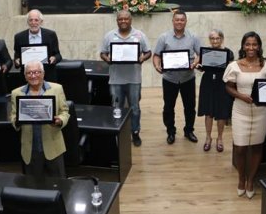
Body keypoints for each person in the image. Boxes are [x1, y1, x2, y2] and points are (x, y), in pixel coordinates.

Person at [223, 32, 266, 199]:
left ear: (259, 46)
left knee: (256, 147)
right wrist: (241, 96)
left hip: (262, 112)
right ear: (243, 46)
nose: (251, 48)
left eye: (254, 44)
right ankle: (241, 178)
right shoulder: (234, 66)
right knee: (239, 148)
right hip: (241, 110)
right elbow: (229, 87)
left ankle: (250, 180)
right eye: (248, 44)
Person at [9, 61, 70, 179]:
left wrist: (59, 120)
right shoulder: (16, 93)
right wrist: (17, 120)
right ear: (25, 76)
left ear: (43, 74)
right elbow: (13, 115)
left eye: (36, 72)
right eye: (29, 73)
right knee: (33, 188)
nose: (33, 76)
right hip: (30, 149)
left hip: (53, 147)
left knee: (59, 186)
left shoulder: (57, 89)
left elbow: (65, 112)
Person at [99, 10, 152, 146]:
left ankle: (135, 133)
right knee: (117, 108)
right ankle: (118, 133)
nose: (123, 21)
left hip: (134, 79)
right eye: (120, 19)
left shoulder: (140, 35)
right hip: (116, 80)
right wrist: (107, 58)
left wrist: (142, 58)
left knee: (134, 108)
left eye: (126, 19)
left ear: (131, 20)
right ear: (117, 21)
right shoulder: (110, 35)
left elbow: (148, 52)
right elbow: (103, 53)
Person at [153, 11, 201, 144]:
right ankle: (170, 131)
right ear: (172, 21)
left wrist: (195, 63)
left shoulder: (193, 37)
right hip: (170, 79)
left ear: (186, 21)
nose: (179, 22)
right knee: (168, 107)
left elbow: (200, 54)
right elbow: (156, 55)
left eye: (182, 20)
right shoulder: (164, 37)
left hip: (188, 78)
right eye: (177, 20)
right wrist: (157, 66)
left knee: (190, 107)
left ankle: (189, 130)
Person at [196, 30, 234, 153]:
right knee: (208, 112)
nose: (215, 41)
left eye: (217, 38)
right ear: (210, 40)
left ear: (222, 39)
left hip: (222, 84)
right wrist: (198, 67)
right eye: (212, 38)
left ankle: (220, 138)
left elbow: (231, 69)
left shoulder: (229, 52)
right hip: (207, 83)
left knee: (221, 112)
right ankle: (208, 138)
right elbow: (202, 67)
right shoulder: (205, 52)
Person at [13, 9, 63, 81]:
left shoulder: (51, 35)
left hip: (47, 76)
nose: (33, 22)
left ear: (41, 22)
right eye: (31, 20)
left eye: (36, 20)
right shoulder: (19, 37)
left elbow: (58, 55)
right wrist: (17, 61)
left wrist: (54, 58)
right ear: (27, 22)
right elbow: (16, 56)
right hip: (27, 78)